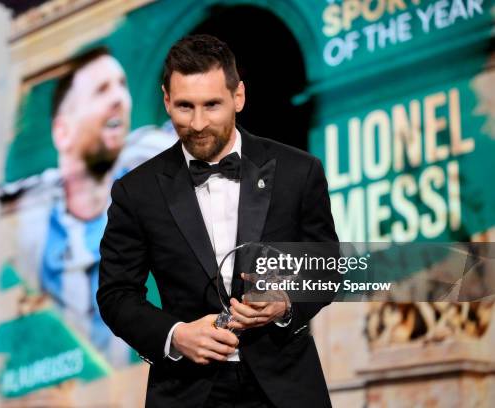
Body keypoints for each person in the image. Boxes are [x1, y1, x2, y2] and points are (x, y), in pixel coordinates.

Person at [97, 34, 338, 407]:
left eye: (212, 105)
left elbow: (327, 267)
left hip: (286, 388)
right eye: (184, 107)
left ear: (238, 97)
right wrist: (175, 335)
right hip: (186, 391)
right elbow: (116, 295)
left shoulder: (299, 171)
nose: (197, 123)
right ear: (166, 100)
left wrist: (285, 304)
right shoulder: (135, 192)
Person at [34, 46, 176, 368]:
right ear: (63, 131)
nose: (119, 98)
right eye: (101, 89)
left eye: (122, 85)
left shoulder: (150, 163)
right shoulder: (33, 232)